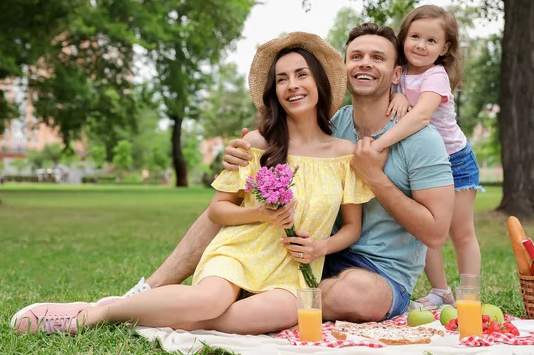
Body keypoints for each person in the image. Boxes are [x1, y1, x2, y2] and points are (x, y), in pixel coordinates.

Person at [11, 32, 374, 335]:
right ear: (274, 90)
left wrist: (319, 248)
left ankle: (148, 311)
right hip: (238, 252)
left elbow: (352, 228)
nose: (292, 85)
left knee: (246, 319)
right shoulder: (255, 146)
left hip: (293, 272)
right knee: (210, 302)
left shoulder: (345, 154)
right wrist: (262, 215)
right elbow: (218, 210)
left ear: (319, 83)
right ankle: (97, 313)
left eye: (301, 75)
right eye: (282, 79)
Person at [96, 23, 455, 323]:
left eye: (378, 58)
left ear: (396, 73)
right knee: (224, 206)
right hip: (301, 251)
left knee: (355, 295)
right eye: (357, 56)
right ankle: (152, 291)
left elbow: (437, 234)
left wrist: (375, 177)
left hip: (377, 271)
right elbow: (289, 134)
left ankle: (211, 306)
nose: (365, 64)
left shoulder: (421, 139)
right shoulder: (336, 123)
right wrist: (242, 151)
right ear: (343, 68)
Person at [370, 5, 483, 308]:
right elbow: (387, 97)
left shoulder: (436, 76)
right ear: (403, 37)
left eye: (431, 41)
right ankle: (440, 292)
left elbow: (420, 117)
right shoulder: (399, 73)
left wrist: (380, 145)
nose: (421, 45)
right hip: (420, 165)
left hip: (454, 160)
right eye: (415, 36)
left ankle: (469, 296)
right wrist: (397, 94)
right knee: (425, 231)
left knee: (460, 233)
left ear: (445, 48)